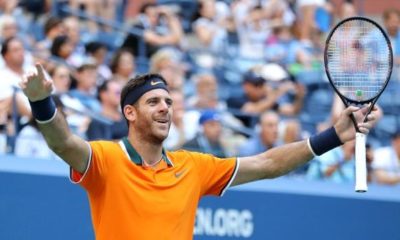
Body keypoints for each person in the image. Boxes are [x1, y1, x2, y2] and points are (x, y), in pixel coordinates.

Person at [20, 63, 377, 239]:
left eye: (169, 102)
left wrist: (333, 135)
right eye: (154, 102)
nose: (165, 108)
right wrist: (41, 102)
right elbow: (62, 142)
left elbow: (267, 163)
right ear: (129, 112)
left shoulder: (193, 165)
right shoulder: (106, 159)